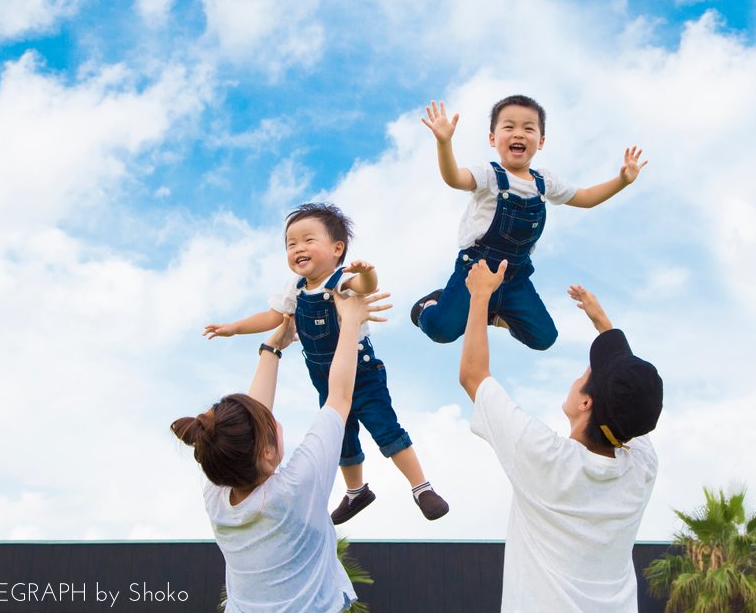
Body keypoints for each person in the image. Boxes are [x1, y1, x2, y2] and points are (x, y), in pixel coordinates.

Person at [203, 203, 449, 523]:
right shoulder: (295, 289)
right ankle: (356, 492)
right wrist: (233, 328)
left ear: (337, 249)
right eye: (291, 244)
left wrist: (366, 272)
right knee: (339, 438)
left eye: (308, 240)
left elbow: (366, 287)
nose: (298, 248)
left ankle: (421, 487)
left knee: (385, 429)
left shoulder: (340, 279)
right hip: (325, 378)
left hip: (361, 374)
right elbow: (272, 316)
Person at [459, 258, 662, 612]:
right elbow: (633, 400)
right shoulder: (639, 469)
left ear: (586, 401)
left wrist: (480, 295)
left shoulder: (547, 458)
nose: (582, 371)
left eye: (587, 371)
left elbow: (474, 376)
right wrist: (604, 327)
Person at [173, 290, 389, 613]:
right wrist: (351, 323)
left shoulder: (217, 493)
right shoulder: (295, 488)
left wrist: (272, 347)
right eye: (271, 423)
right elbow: (341, 397)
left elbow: (246, 428)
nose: (274, 419)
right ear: (267, 454)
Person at [412, 96, 647, 350]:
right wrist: (444, 142)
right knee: (441, 330)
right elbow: (455, 178)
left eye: (528, 128)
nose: (519, 134)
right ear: (493, 138)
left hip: (515, 276)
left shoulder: (544, 182)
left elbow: (587, 198)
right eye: (509, 127)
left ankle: (492, 313)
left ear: (541, 141)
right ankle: (430, 305)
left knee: (544, 338)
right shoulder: (489, 174)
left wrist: (622, 181)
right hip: (477, 270)